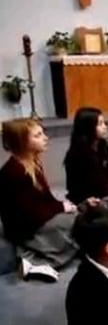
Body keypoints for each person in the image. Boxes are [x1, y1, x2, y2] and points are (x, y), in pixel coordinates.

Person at [0, 118, 80, 281]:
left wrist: (62, 205)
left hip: (35, 217)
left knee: (80, 216)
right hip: (24, 227)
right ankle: (37, 260)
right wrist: (60, 208)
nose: (45, 138)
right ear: (22, 142)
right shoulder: (15, 171)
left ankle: (36, 257)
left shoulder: (33, 162)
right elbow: (28, 214)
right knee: (78, 224)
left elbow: (45, 198)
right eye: (37, 135)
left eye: (43, 133)